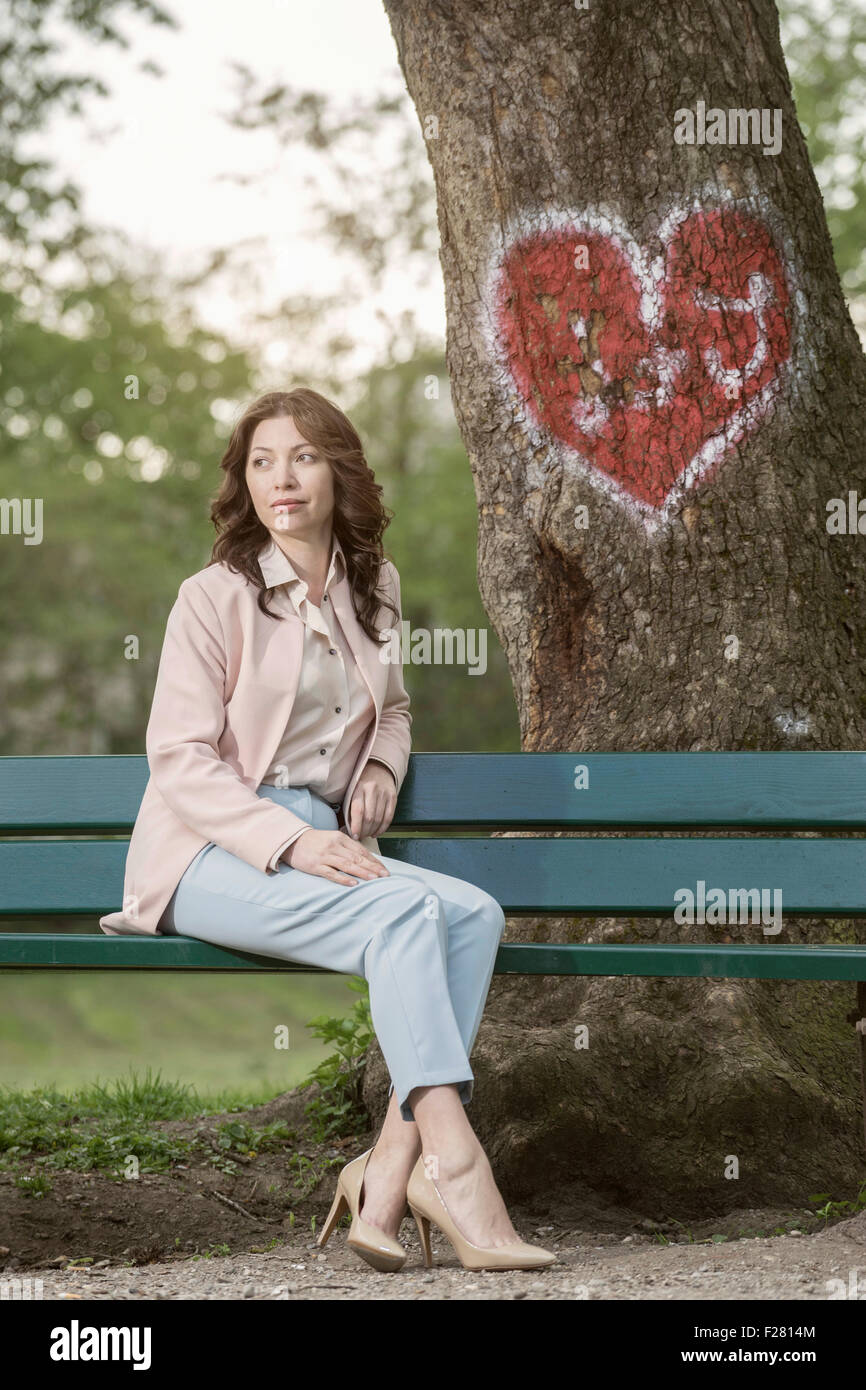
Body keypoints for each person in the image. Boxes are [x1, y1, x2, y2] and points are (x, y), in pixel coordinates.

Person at [107, 386, 554, 1273]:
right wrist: (292, 841)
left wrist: (384, 765)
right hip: (212, 852)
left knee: (472, 915)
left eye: (304, 457)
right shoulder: (213, 597)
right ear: (245, 481)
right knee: (401, 916)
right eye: (263, 461)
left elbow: (393, 709)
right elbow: (180, 758)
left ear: (338, 474)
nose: (283, 478)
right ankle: (458, 1166)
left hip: (325, 839)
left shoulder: (372, 586)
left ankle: (388, 1172)